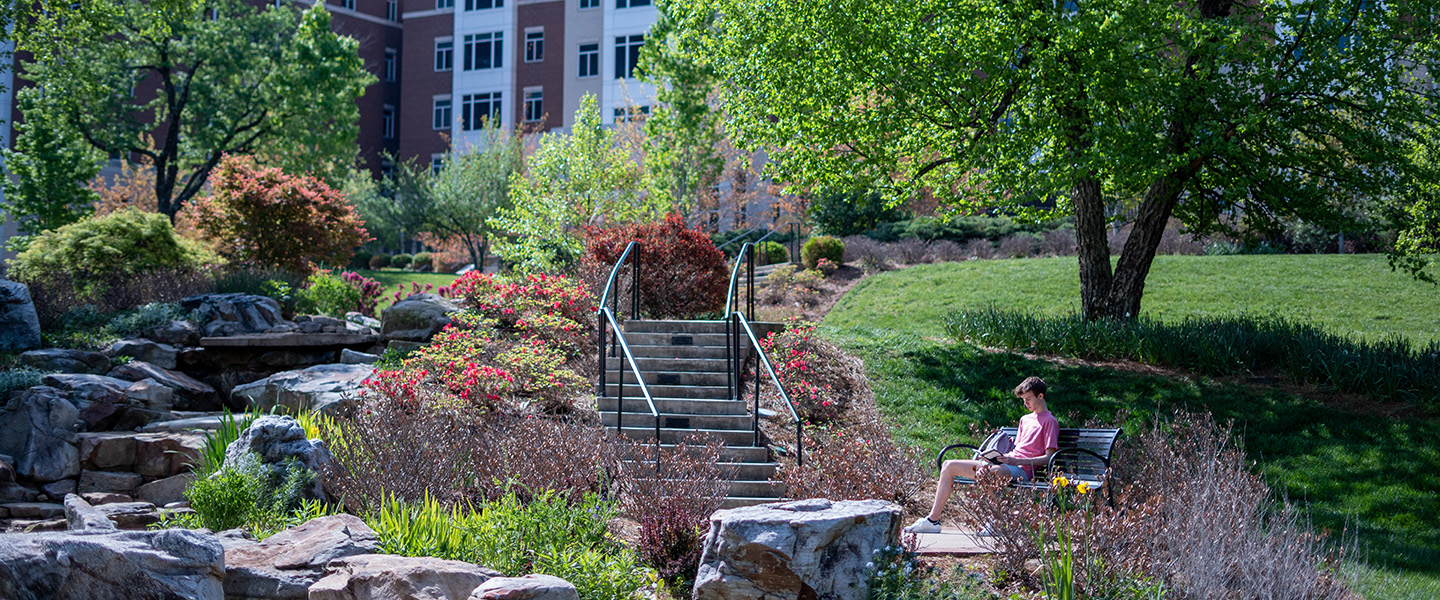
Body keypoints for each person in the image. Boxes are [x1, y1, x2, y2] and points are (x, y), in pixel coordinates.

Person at [904, 376, 1060, 534]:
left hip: (1022, 471)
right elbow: (1017, 448)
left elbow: (1048, 457)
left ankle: (997, 522)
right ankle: (933, 520)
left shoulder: (1050, 422)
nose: (1025, 403)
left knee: (986, 473)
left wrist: (1015, 460)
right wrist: (996, 456)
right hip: (1005, 464)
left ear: (1041, 396)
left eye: (1028, 399)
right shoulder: (1024, 420)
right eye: (1023, 400)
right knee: (948, 465)